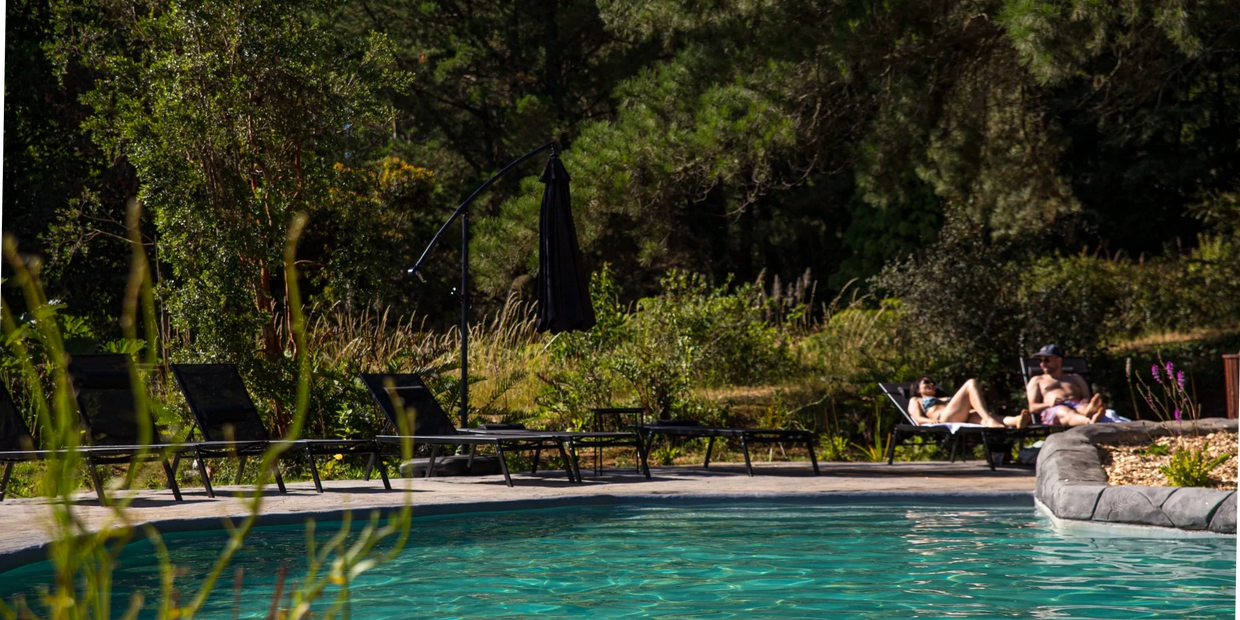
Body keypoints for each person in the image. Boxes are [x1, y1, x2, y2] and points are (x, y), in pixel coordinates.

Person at [1025, 344, 1104, 426]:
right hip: (1053, 410)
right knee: (1065, 411)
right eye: (1040, 361)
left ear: (1059, 360)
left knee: (1084, 408)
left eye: (1046, 360)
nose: (1042, 364)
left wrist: (1086, 401)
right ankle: (1089, 421)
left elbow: (1087, 397)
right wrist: (1049, 404)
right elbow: (1032, 408)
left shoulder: (1075, 378)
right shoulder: (1037, 380)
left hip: (1076, 406)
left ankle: (1088, 413)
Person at [907, 376, 1030, 429]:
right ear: (917, 388)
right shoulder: (916, 400)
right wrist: (930, 421)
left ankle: (1016, 420)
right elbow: (917, 418)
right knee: (971, 383)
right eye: (926, 382)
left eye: (932, 382)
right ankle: (987, 418)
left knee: (989, 416)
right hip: (944, 417)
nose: (931, 384)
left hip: (962, 416)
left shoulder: (943, 398)